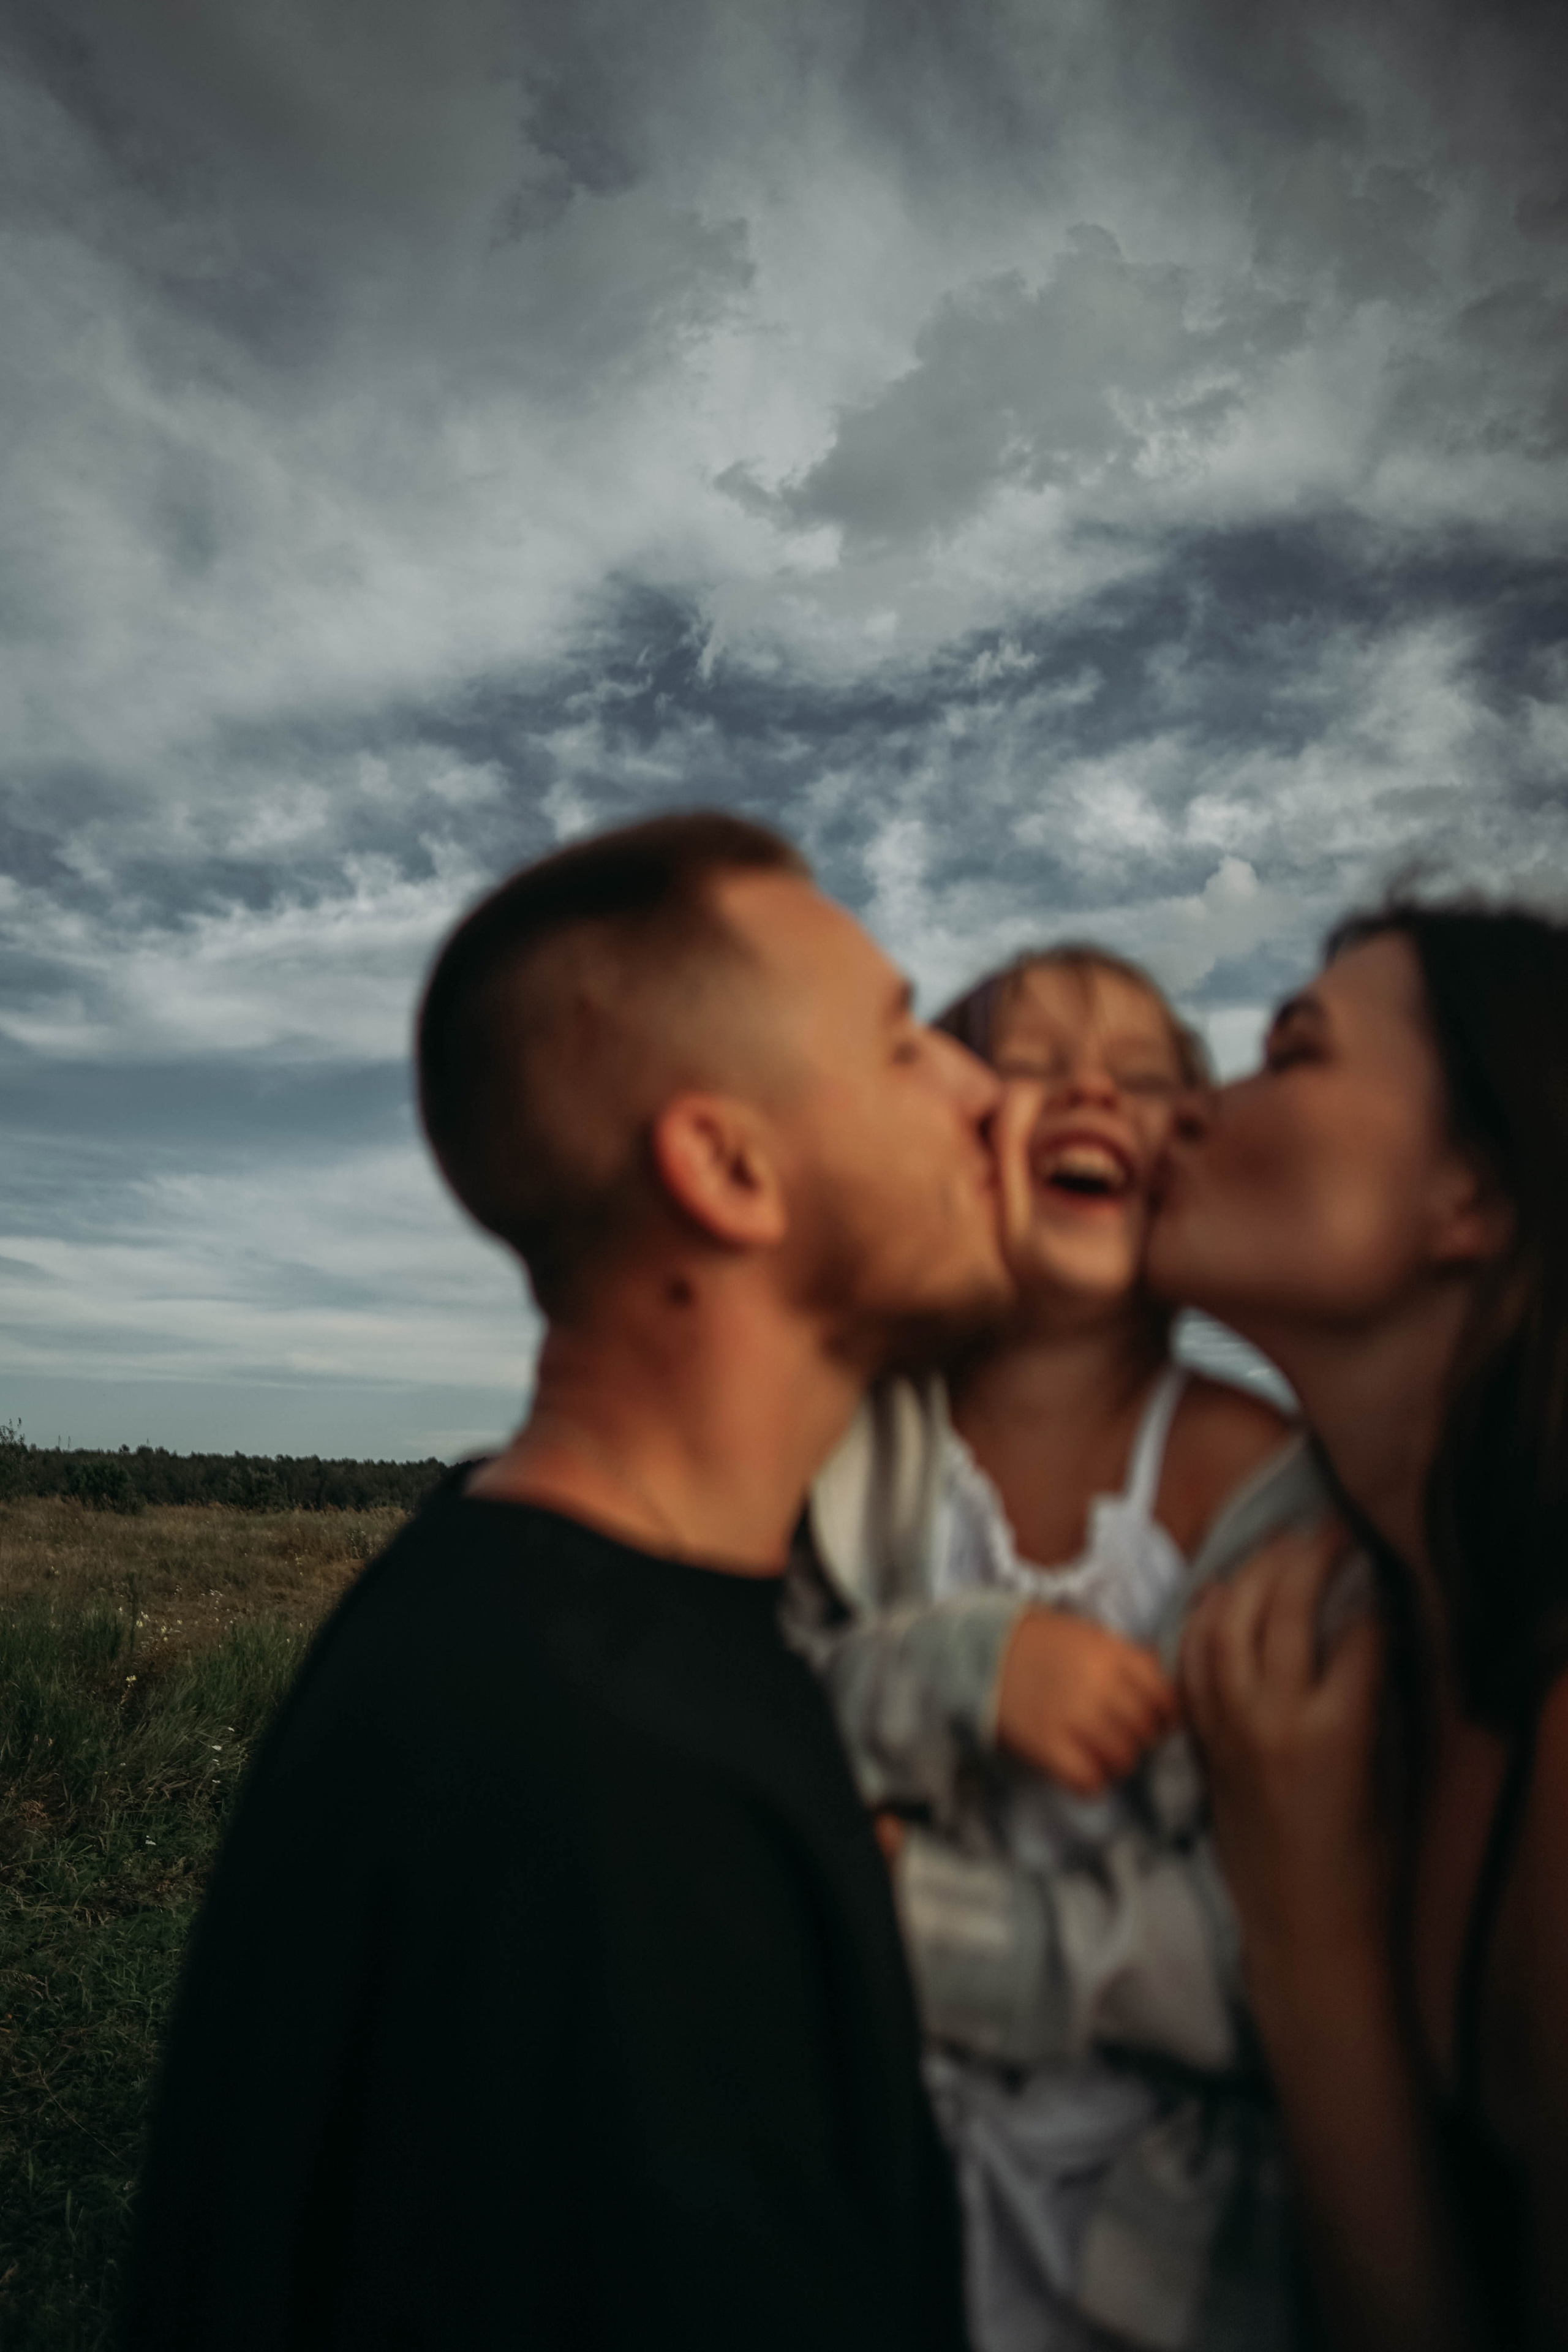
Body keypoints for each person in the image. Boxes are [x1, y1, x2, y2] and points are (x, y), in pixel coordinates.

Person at [122, 811, 1014, 2352]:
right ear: (727, 1167)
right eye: (902, 1047)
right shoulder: (600, 1791)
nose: (986, 1094)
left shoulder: (537, 1633)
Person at [788, 945, 1319, 2352]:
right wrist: (952, 1668)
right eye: (1028, 1066)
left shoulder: (1254, 1485)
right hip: (850, 2196)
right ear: (959, 1137)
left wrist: (942, 1933)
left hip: (1163, 2264)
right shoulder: (850, 1449)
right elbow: (737, 1738)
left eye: (1144, 1078)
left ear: (1186, 1156)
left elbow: (1284, 1944)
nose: (1089, 1089)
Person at [1158, 899, 1568, 2351]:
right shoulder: (1363, 1644)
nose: (1193, 1110)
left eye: (1291, 1051)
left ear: (1470, 1193)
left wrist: (1309, 1939)